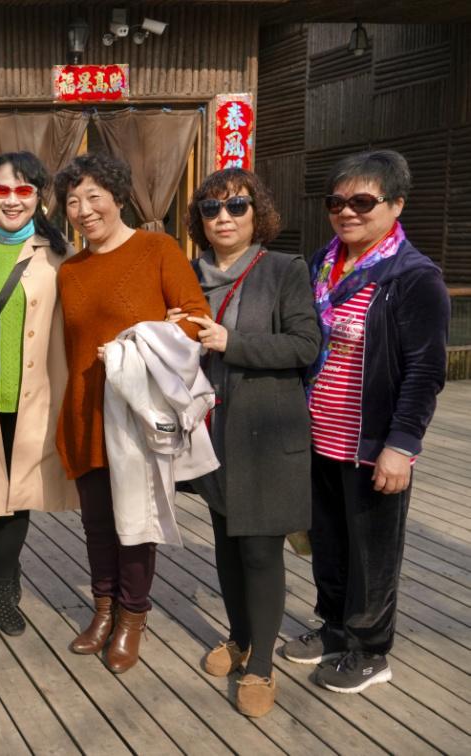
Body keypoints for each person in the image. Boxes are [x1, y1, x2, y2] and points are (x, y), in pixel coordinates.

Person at [281, 150, 449, 694]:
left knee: (372, 554)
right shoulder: (320, 264)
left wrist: (402, 445)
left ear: (396, 205)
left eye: (362, 202)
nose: (346, 212)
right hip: (317, 438)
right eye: (337, 202)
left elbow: (425, 372)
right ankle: (332, 628)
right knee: (328, 544)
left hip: (371, 444)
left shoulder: (413, 277)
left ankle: (371, 650)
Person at [54, 153, 209, 673]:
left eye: (94, 196)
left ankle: (132, 619)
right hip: (85, 411)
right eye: (73, 201)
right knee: (98, 522)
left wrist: (149, 337)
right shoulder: (70, 270)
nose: (83, 209)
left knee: (135, 522)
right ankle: (103, 609)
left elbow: (197, 323)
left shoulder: (157, 248)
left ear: (118, 197)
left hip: (136, 414)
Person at [173, 168, 319, 716]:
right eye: (211, 210)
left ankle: (261, 667)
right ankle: (238, 639)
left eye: (236, 206)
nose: (224, 218)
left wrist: (230, 341)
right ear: (200, 221)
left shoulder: (283, 269)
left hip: (266, 433)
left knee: (260, 549)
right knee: (228, 547)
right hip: (209, 436)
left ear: (257, 212)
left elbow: (304, 344)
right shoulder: (189, 274)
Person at [0, 152, 77, 636]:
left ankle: (2, 583)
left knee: (17, 491)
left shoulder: (59, 254)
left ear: (39, 197)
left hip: (31, 394)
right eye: (2, 190)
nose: (11, 200)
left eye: (24, 191)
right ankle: (1, 572)